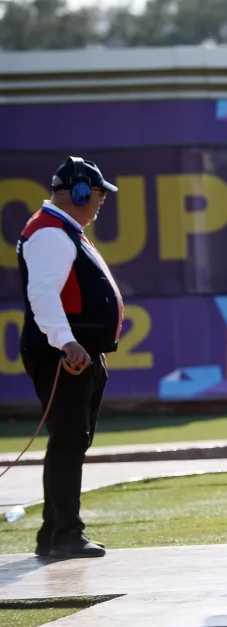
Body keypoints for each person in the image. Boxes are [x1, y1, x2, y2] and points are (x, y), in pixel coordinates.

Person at [16, 156, 123, 559]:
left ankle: (53, 532)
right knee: (68, 440)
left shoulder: (61, 229)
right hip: (63, 356)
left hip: (74, 353)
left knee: (72, 440)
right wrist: (66, 342)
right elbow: (43, 295)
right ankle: (64, 534)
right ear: (78, 193)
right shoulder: (50, 232)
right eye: (97, 193)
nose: (101, 201)